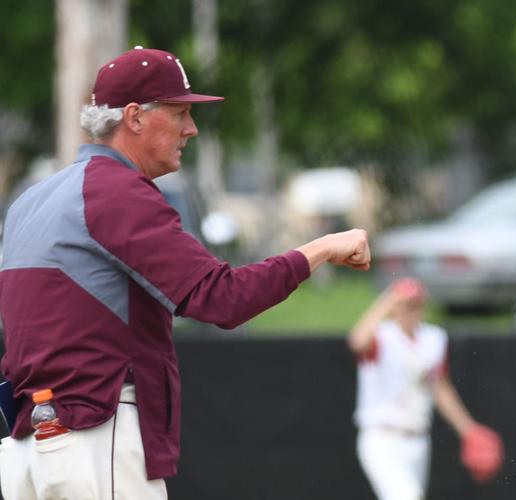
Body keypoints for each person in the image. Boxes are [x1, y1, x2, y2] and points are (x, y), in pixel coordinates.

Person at [0, 46, 371, 499]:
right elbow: (223, 299)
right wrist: (322, 248)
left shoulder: (31, 201)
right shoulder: (117, 192)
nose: (190, 129)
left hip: (28, 450)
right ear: (134, 117)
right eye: (178, 113)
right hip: (94, 441)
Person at [348, 278, 503, 500]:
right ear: (395, 307)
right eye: (405, 304)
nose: (411, 311)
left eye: (416, 305)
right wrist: (386, 301)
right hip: (382, 438)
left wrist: (468, 429)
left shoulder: (433, 339)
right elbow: (357, 341)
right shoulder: (382, 335)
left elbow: (439, 388)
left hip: (418, 440)